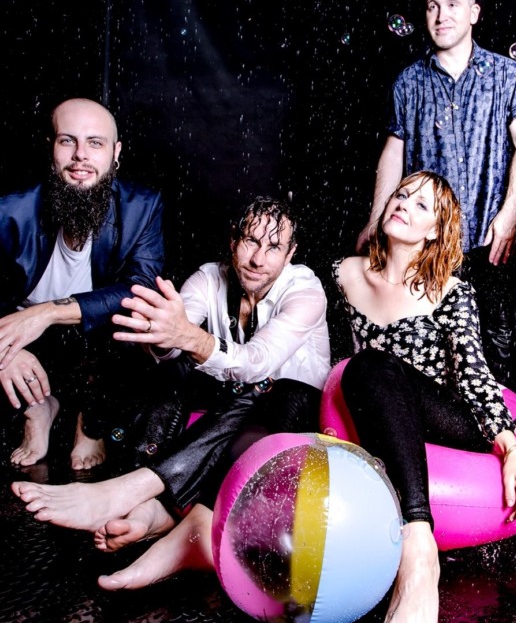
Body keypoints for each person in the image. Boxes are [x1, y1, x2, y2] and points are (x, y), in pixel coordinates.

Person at [11, 196, 331, 576]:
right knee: (168, 366)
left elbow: (255, 363)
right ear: (233, 239)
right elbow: (172, 343)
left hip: (291, 414)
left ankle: (132, 491)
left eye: (274, 247)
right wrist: (162, 337)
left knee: (261, 385)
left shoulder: (306, 292)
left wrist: (187, 337)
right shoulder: (210, 277)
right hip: (231, 405)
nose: (258, 259)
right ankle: (149, 507)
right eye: (250, 241)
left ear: (290, 253)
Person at [342, 171, 516, 623]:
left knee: (373, 363)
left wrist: (511, 447)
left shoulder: (451, 290)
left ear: (435, 231)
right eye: (401, 194)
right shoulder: (342, 274)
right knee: (359, 371)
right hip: (375, 409)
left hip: (446, 418)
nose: (404, 204)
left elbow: (474, 376)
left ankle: (418, 552)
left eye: (421, 205)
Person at [355, 0, 516, 389]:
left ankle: (499, 425)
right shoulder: (408, 82)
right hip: (426, 245)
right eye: (433, 6)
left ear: (474, 13)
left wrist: (509, 214)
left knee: (495, 350)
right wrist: (376, 218)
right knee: (430, 355)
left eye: (452, 4)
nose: (441, 15)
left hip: (488, 241)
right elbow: (394, 153)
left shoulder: (507, 75)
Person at [0, 98, 164, 470]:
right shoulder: (9, 208)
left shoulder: (142, 206)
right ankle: (37, 410)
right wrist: (4, 349)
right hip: (23, 340)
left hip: (96, 345)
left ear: (115, 153)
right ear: (51, 147)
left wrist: (45, 313)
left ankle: (90, 424)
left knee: (135, 325)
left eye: (95, 142)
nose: (80, 156)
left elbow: (141, 288)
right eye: (67, 141)